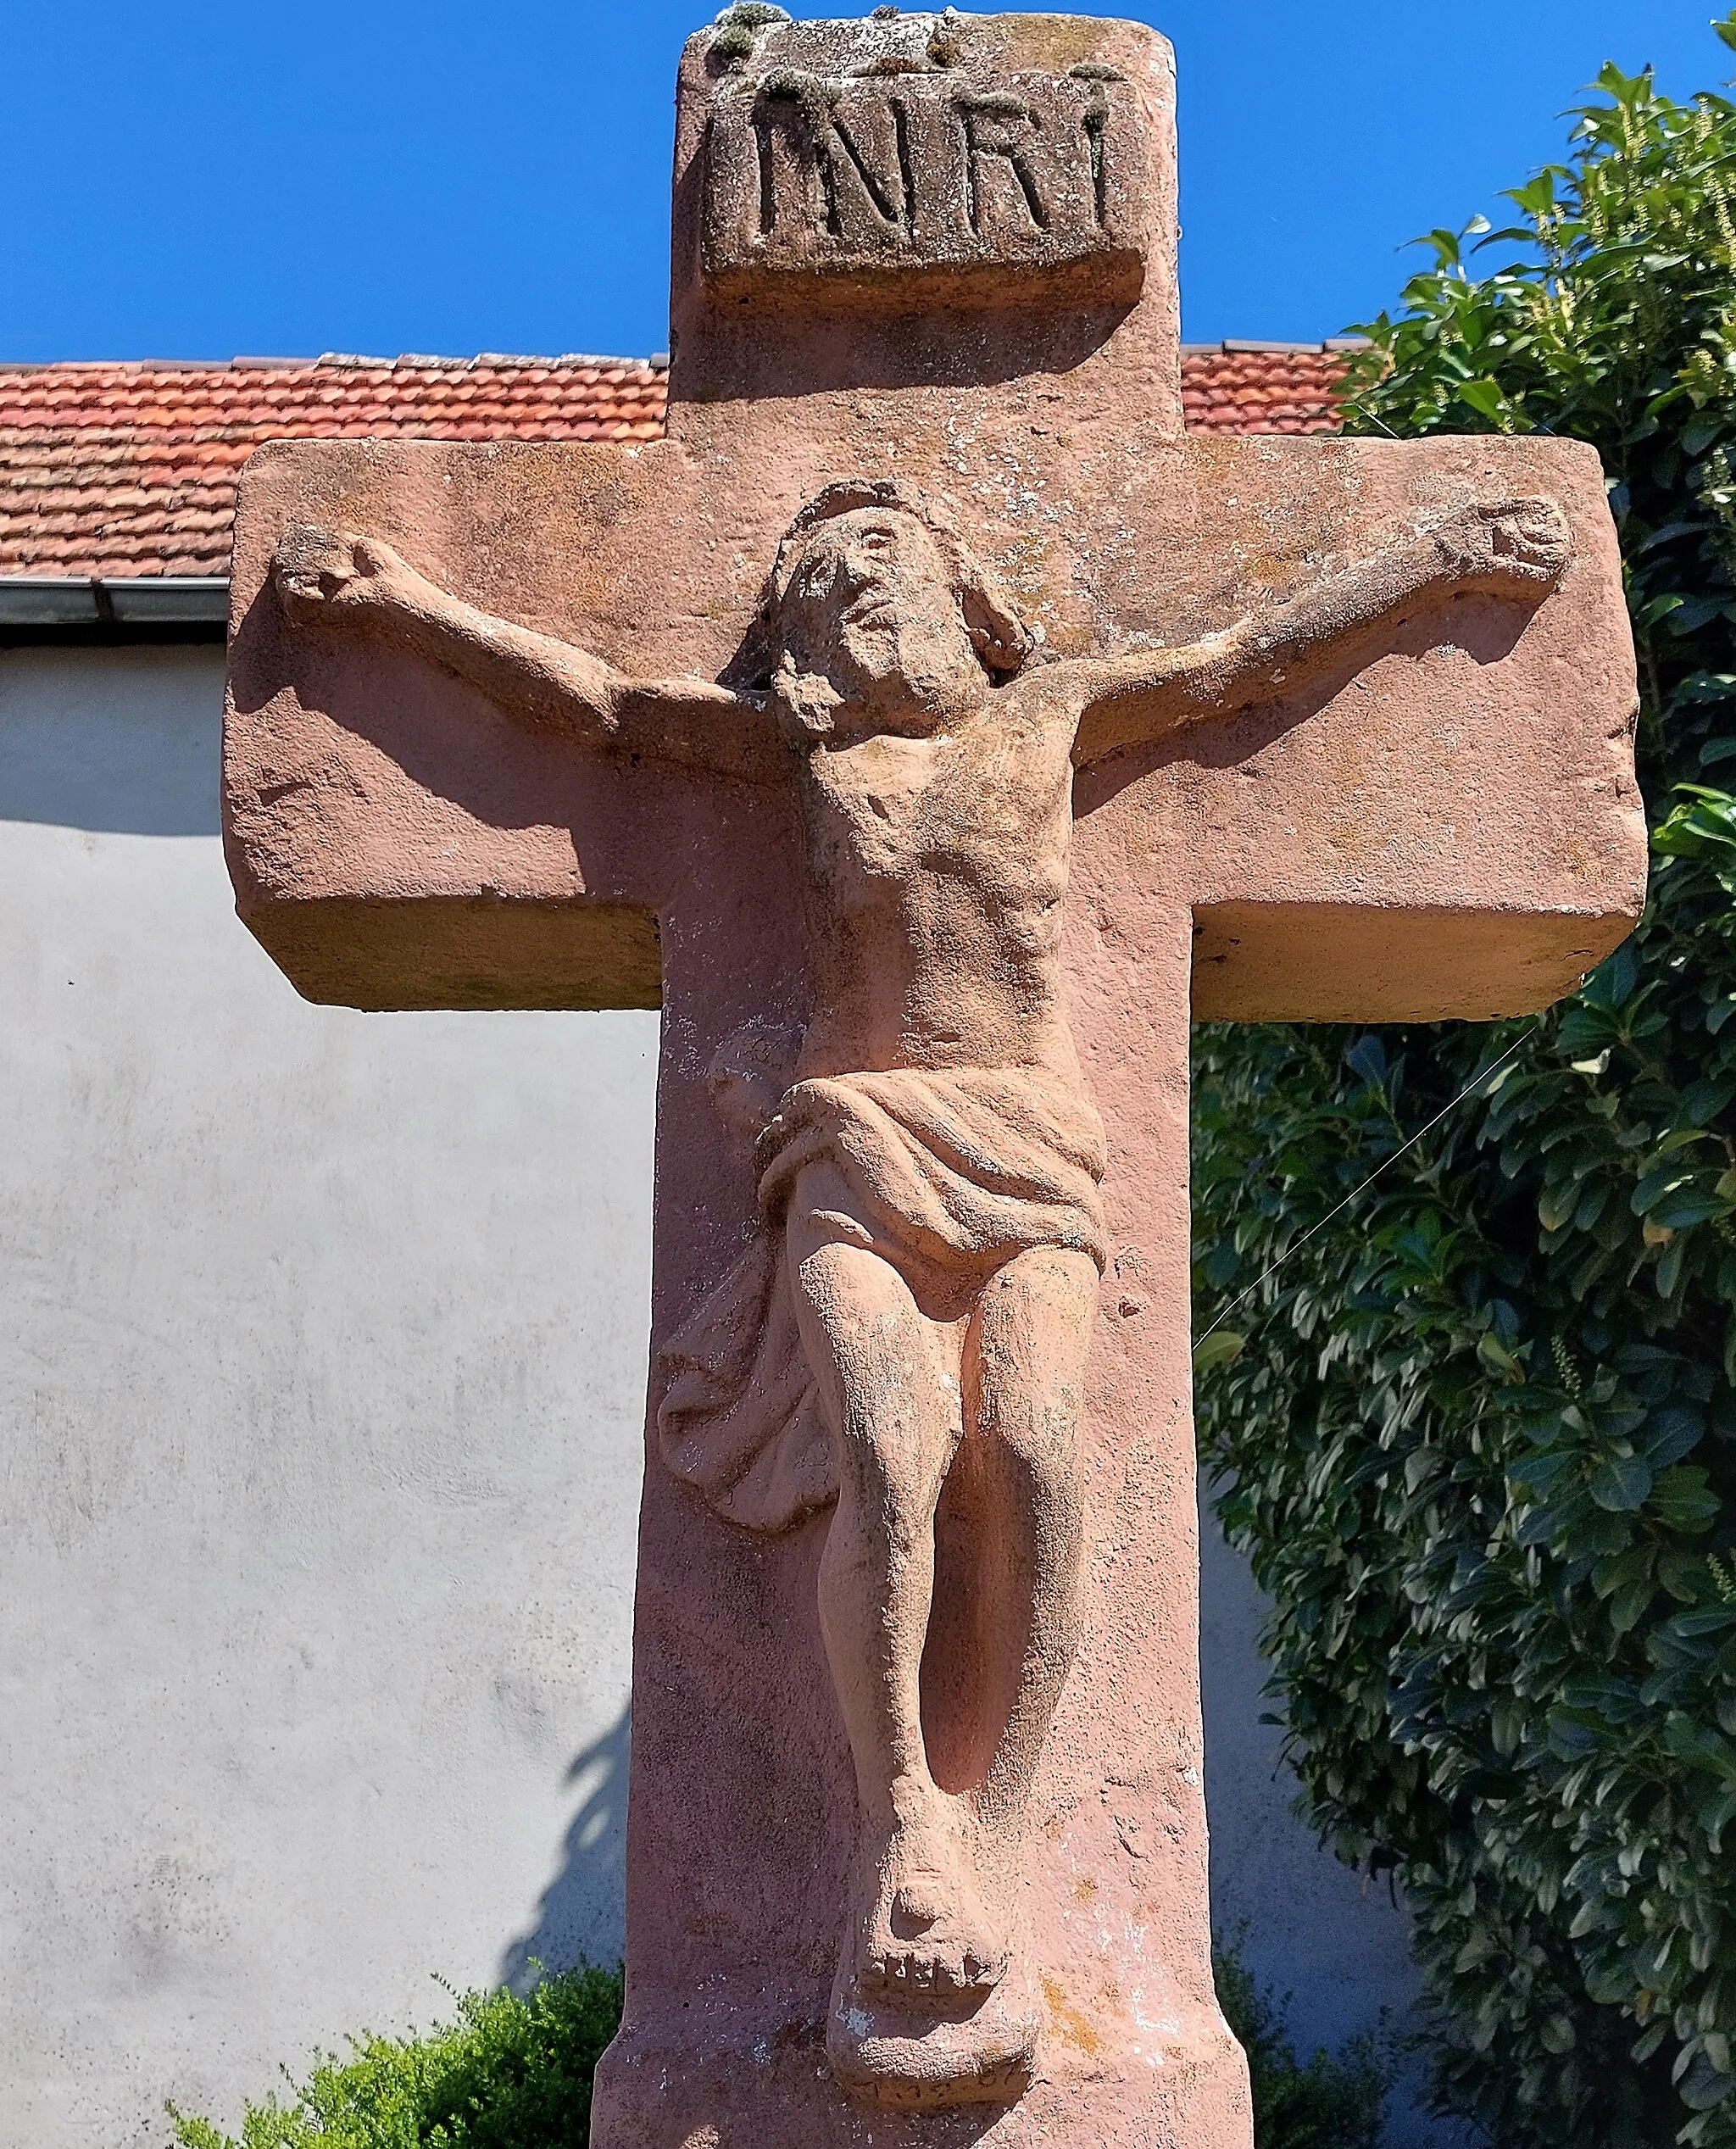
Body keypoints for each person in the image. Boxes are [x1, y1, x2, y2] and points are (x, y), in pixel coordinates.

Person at [275, 476, 1568, 2100]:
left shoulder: (1060, 713)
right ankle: (905, 1827)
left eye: (882, 562)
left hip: (1029, 1145)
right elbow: (603, 707)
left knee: (1029, 1446)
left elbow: (1248, 655)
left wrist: (1430, 560)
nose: (854, 592)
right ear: (804, 642)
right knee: (889, 1456)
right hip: (853, 1145)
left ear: (964, 594)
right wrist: (400, 603)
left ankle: (997, 1828)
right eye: (823, 581)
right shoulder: (809, 755)